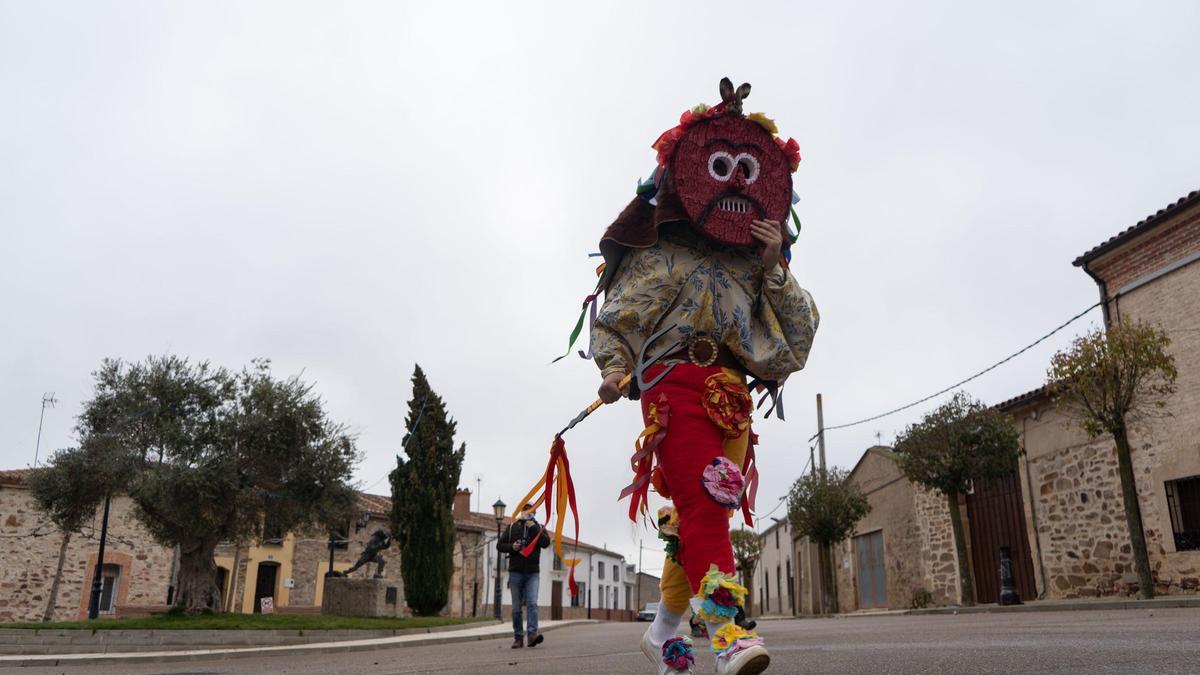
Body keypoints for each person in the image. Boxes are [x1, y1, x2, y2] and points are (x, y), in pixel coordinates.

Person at [592, 78, 818, 675]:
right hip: (672, 386)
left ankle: (665, 631)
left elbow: (795, 342)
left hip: (733, 400)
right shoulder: (661, 254)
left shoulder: (754, 265)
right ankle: (728, 632)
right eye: (723, 167)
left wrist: (774, 269)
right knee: (705, 497)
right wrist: (616, 371)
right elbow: (616, 320)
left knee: (696, 514)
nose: (737, 183)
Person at [497, 505, 551, 648]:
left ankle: (532, 635)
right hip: (515, 571)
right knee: (516, 607)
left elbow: (546, 543)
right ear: (521, 511)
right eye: (525, 510)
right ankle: (518, 638)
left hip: (533, 572)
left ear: (534, 512)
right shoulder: (512, 527)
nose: (528, 512)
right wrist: (512, 547)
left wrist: (532, 527)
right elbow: (499, 545)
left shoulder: (538, 527)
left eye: (530, 510)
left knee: (532, 603)